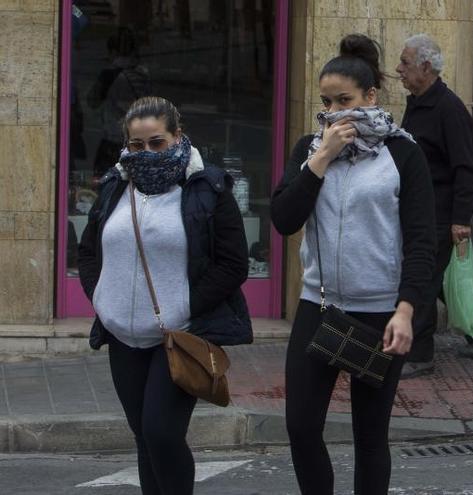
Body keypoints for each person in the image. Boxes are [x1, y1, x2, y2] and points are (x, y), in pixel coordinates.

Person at [270, 34, 435, 494]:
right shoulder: (311, 149)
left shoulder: (402, 153)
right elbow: (284, 219)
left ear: (370, 97)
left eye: (345, 100)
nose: (337, 112)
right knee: (301, 428)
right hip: (319, 305)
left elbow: (422, 241)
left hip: (381, 312)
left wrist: (406, 310)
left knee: (369, 435)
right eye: (327, 102)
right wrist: (320, 158)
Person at [78, 96, 253, 495]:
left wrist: (184, 308)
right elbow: (88, 252)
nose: (146, 153)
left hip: (177, 336)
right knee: (143, 436)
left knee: (161, 432)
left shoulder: (207, 187)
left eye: (156, 142)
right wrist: (102, 301)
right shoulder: (114, 187)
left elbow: (233, 266)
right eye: (136, 145)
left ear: (177, 135)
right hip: (122, 336)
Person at [396, 34, 473, 379]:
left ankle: (420, 355)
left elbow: (465, 169)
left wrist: (461, 218)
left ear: (426, 68)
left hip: (440, 213)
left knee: (425, 282)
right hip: (419, 209)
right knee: (439, 281)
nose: (398, 69)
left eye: (405, 63)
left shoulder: (449, 110)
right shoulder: (417, 102)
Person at [87, 26, 152, 178]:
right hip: (138, 138)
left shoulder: (109, 75)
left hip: (114, 137)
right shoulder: (143, 74)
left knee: (105, 181)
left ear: (113, 52)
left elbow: (92, 101)